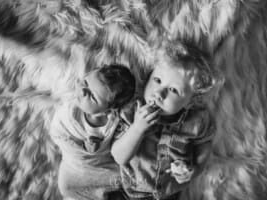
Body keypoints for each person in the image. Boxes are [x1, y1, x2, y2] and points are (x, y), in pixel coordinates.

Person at [111, 42, 221, 200]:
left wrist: (193, 169)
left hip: (169, 193)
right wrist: (137, 128)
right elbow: (118, 156)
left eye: (173, 90)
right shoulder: (132, 112)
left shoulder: (197, 121)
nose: (159, 93)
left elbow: (204, 147)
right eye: (157, 80)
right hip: (128, 192)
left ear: (191, 101)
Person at [49, 64, 136, 200]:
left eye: (92, 97)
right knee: (67, 188)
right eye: (85, 83)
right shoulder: (69, 114)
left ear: (108, 110)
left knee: (130, 181)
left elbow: (119, 144)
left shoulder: (114, 121)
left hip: (104, 167)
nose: (83, 92)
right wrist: (83, 148)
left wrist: (100, 148)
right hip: (76, 169)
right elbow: (57, 133)